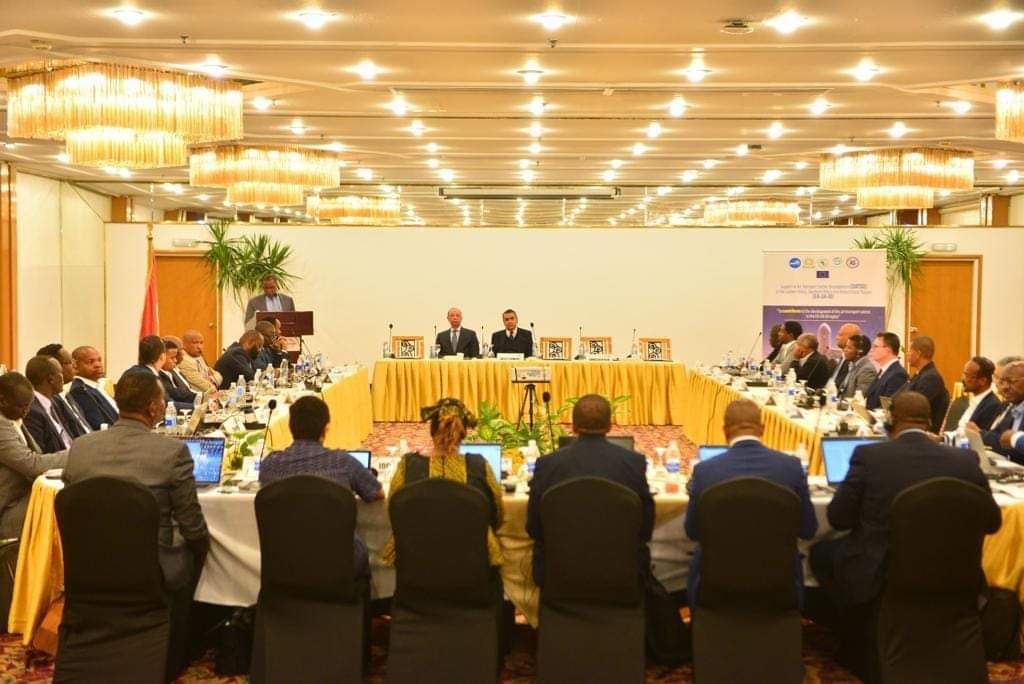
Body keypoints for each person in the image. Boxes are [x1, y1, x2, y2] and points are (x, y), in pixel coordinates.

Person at [810, 391, 999, 675]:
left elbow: (838, 519)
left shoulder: (869, 456)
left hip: (884, 573)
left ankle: (858, 640)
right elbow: (993, 522)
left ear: (891, 419)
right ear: (930, 422)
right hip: (954, 571)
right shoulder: (965, 460)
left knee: (821, 553)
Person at [63, 371, 209, 680]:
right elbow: (192, 525)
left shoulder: (81, 448)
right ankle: (182, 652)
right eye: (162, 401)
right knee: (197, 554)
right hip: (152, 570)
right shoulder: (172, 453)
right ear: (154, 408)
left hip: (88, 567)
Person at [685, 399, 816, 608]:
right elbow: (808, 529)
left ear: (724, 431)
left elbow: (692, 531)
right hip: (781, 585)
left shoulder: (705, 471)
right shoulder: (791, 467)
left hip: (716, 585)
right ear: (762, 429)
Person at [527, 394, 653, 588]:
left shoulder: (547, 465)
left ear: (573, 427)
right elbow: (645, 528)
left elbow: (534, 527)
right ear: (610, 426)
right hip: (622, 574)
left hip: (558, 573)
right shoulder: (633, 463)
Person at [260, 396, 384, 577]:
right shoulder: (343, 462)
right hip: (340, 565)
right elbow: (378, 493)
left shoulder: (269, 466)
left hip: (286, 566)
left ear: (290, 428)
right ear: (326, 429)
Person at [382, 398, 503, 567]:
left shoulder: (408, 465)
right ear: (463, 434)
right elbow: (497, 513)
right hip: (472, 567)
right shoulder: (479, 466)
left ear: (432, 431)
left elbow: (392, 510)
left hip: (416, 566)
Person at [0, 372, 68, 537]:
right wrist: (76, 453)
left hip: (24, 495)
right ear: (2, 401)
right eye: (22, 406)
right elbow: (32, 464)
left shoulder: (12, 417)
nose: (26, 411)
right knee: (66, 506)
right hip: (9, 507)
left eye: (29, 405)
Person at [23, 356, 88, 453]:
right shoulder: (31, 411)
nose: (63, 377)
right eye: (61, 373)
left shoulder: (55, 402)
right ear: (51, 379)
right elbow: (41, 453)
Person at [122, 335, 195, 410]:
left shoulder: (136, 371)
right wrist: (196, 408)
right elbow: (166, 405)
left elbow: (173, 392)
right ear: (162, 356)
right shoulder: (149, 378)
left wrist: (198, 398)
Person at [972, 361, 1024, 463]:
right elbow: (998, 437)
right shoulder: (1012, 406)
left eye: (1011, 381)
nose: (1005, 387)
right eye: (1003, 382)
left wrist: (1014, 438)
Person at [899, 335, 949, 432]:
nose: (907, 354)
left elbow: (916, 407)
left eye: (910, 350)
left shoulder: (931, 378)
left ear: (918, 354)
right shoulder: (920, 374)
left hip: (921, 430)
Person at [67, 346, 119, 430]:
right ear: (76, 366)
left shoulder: (96, 386)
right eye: (90, 362)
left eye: (99, 360)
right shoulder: (80, 390)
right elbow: (98, 425)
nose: (98, 365)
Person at [951, 357, 1002, 431]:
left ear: (982, 381)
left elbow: (979, 436)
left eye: (967, 375)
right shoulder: (973, 400)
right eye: (963, 374)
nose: (962, 379)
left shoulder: (992, 406)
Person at [864, 332, 908, 410]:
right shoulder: (883, 371)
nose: (872, 350)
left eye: (875, 347)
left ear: (888, 349)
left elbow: (888, 406)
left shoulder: (898, 374)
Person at [160, 337, 199, 406]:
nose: (183, 354)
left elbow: (181, 392)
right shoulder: (160, 375)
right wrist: (197, 406)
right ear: (162, 357)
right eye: (181, 350)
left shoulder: (171, 371)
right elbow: (172, 400)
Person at [839, 335, 876, 400]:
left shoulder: (867, 370)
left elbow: (858, 399)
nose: (845, 350)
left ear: (860, 352)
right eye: (845, 347)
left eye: (849, 348)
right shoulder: (853, 365)